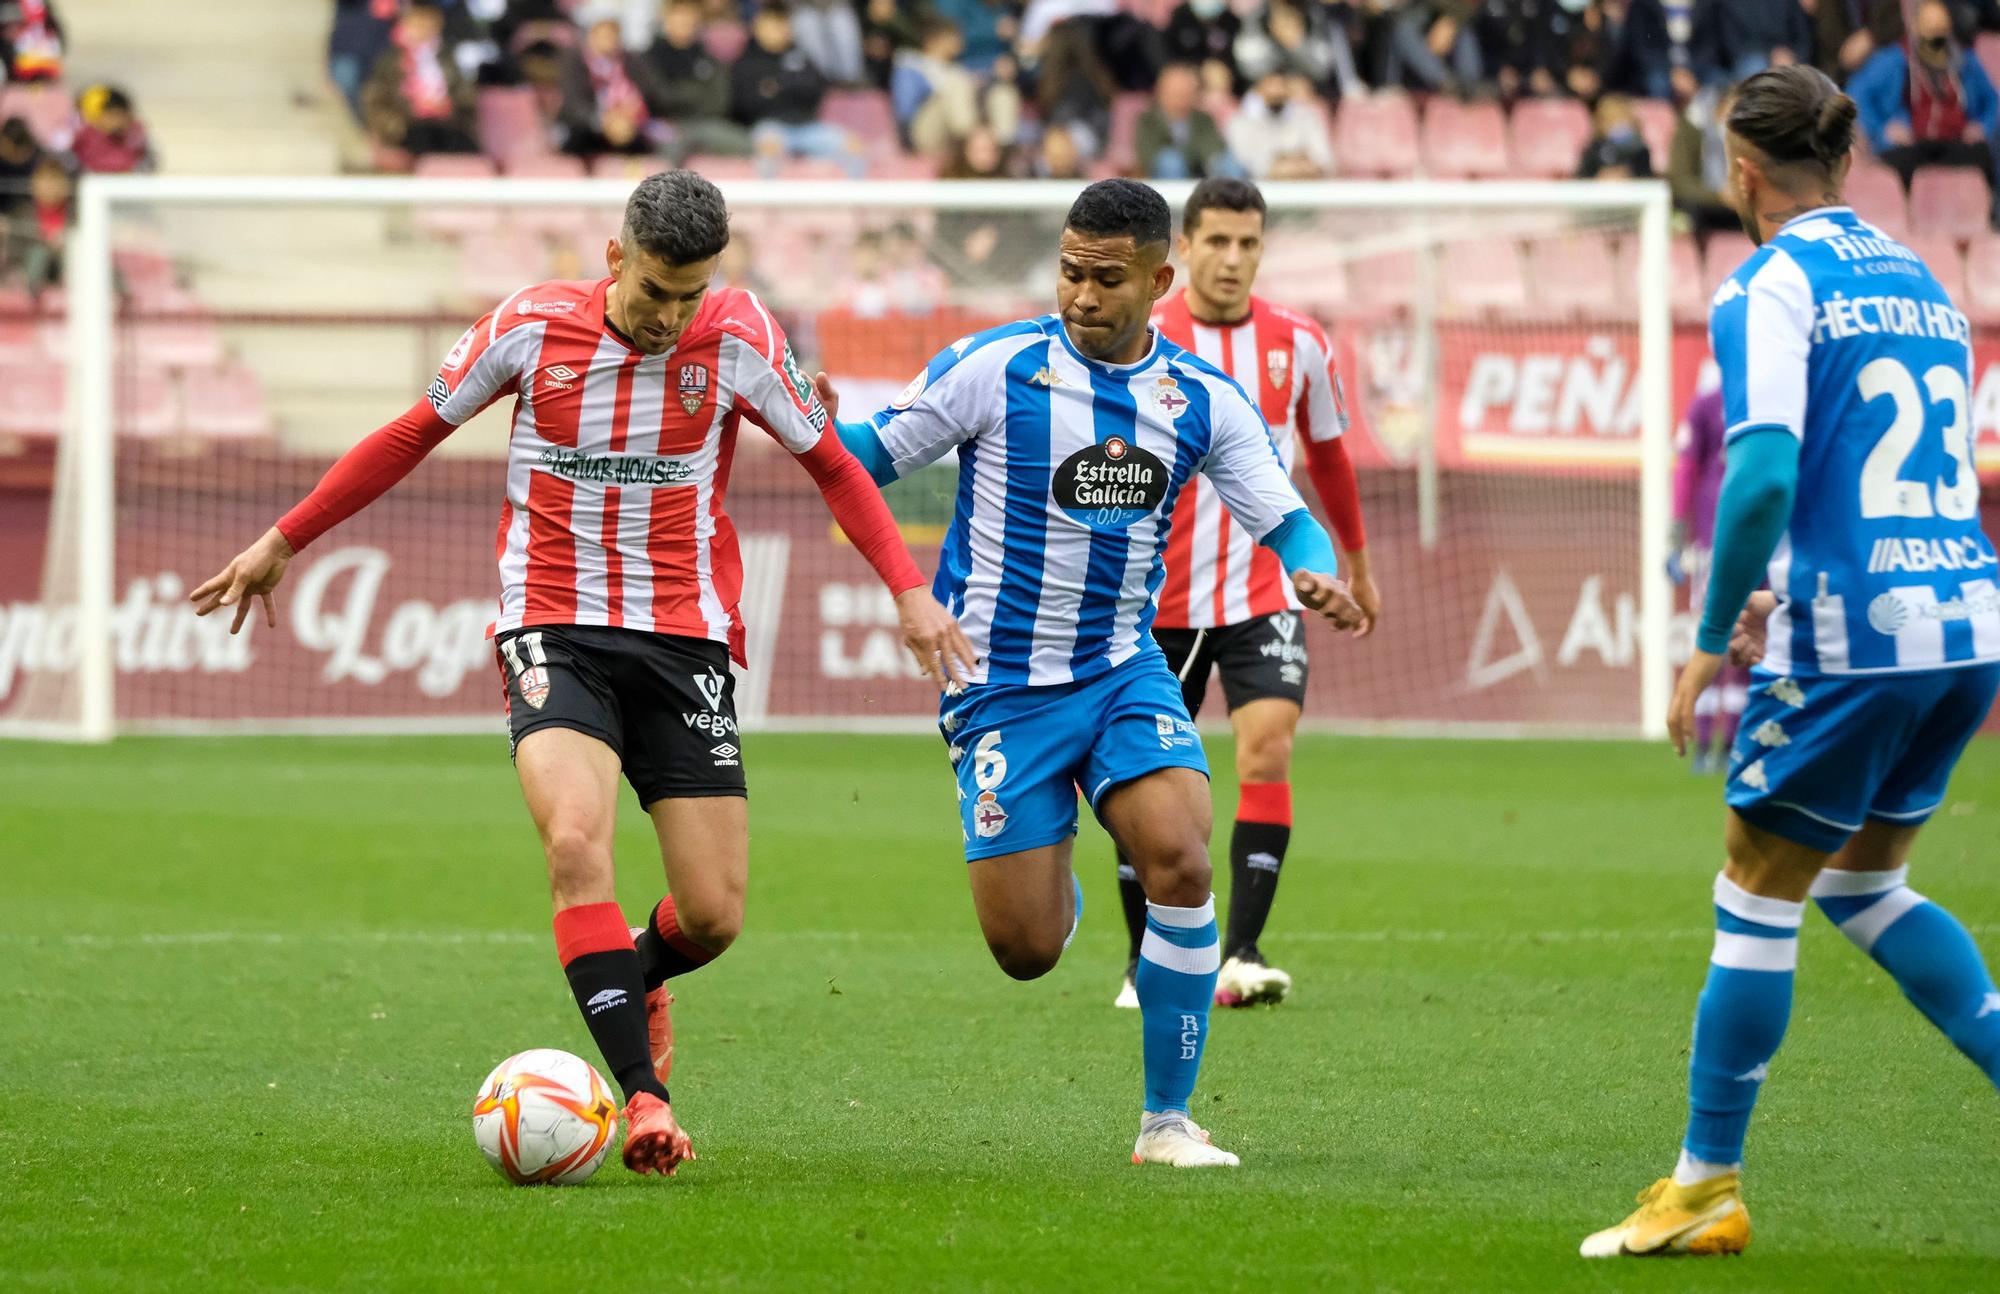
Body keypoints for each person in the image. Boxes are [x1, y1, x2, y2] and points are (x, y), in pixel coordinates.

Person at [189, 171, 970, 1181]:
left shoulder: (737, 337)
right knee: (573, 840)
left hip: (685, 636)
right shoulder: (528, 328)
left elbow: (830, 464)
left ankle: (633, 971)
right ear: (613, 261)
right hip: (550, 624)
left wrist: (906, 586)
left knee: (714, 914)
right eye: (654, 291)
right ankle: (642, 1096)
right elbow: (408, 435)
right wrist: (284, 538)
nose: (670, 316)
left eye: (690, 294)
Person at [821, 178, 1365, 1167]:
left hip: (1122, 667)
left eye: (1105, 279)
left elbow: (1283, 515)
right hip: (998, 688)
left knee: (1180, 857)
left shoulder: (1198, 400)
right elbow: (862, 460)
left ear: (1158, 279)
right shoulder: (992, 368)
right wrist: (812, 430)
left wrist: (1312, 570)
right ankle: (1048, 864)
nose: (1079, 294)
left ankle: (1166, 1120)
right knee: (1024, 950)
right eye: (1069, 271)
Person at [1582, 66, 2000, 1259]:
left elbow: (1763, 473)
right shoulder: (1925, 281)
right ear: (1846, 161)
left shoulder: (1766, 284)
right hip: (1962, 618)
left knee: (1752, 886)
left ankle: (1704, 1183)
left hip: (1858, 639)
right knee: (1862, 886)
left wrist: (1708, 638)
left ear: (1741, 168)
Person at [1106, 177, 1376, 1012]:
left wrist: (1355, 565)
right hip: (1159, 601)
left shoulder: (1299, 343)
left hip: (1263, 590)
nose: (1231, 259)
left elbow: (1327, 456)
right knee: (1142, 781)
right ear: (1182, 249)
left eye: (1247, 244)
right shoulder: (1143, 338)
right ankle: (1142, 959)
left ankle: (1243, 952)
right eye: (1216, 242)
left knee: (1269, 749)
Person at [1850, 2, 2000, 218]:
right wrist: (1881, 129)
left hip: (1956, 144)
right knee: (1897, 163)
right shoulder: (1893, 60)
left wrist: (1982, 126)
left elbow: (1993, 100)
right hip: (1912, 147)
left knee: (1983, 155)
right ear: (1915, 29)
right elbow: (1856, 95)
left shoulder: (1965, 61)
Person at [1667, 384, 1745, 773]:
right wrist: (1677, 536)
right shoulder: (1707, 403)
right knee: (1716, 637)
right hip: (1717, 541)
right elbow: (1686, 469)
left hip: (1755, 538)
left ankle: (1731, 742)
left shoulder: (1763, 397)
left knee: (1741, 642)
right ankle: (1703, 741)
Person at [730, 2, 867, 177]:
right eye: (771, 24)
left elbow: (816, 91)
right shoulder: (745, 62)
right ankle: (768, 202)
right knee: (768, 150)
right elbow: (746, 104)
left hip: (807, 126)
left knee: (853, 146)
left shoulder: (801, 56)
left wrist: (776, 87)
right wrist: (791, 85)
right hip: (770, 126)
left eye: (781, 23)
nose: (777, 30)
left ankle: (854, 202)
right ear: (757, 26)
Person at [360, 0, 481, 157]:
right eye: (417, 23)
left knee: (464, 146)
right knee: (421, 140)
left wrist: (449, 107)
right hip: (408, 127)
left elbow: (465, 95)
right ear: (405, 25)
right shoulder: (390, 61)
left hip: (447, 126)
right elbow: (375, 100)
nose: (423, 29)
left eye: (428, 23)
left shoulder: (447, 58)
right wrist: (396, 126)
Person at [641, 0, 755, 160]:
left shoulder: (707, 57)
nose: (684, 23)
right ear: (666, 19)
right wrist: (694, 93)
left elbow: (720, 100)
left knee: (747, 145)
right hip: (666, 124)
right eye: (679, 17)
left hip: (705, 123)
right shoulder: (650, 57)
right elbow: (658, 97)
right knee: (669, 150)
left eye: (689, 18)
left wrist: (682, 94)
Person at [556, 9, 664, 157]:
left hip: (628, 125)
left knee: (647, 145)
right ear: (591, 37)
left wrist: (631, 113)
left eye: (612, 36)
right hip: (587, 126)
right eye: (603, 36)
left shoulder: (632, 61)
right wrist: (604, 121)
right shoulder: (574, 60)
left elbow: (650, 91)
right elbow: (573, 102)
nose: (608, 40)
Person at [1135, 61, 1241, 180]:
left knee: (1230, 162)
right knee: (1170, 160)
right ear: (1161, 92)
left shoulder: (1203, 119)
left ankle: (1233, 197)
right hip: (1162, 177)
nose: (1181, 99)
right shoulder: (1148, 120)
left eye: (1186, 92)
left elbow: (1214, 150)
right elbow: (1148, 155)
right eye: (1176, 93)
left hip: (1202, 172)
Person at [1225, 70, 1335, 180]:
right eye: (1270, 85)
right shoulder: (1241, 121)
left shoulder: (1307, 115)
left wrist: (1297, 166)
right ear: (1258, 89)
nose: (1276, 91)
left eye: (1281, 86)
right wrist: (1281, 165)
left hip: (1310, 183)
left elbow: (1324, 158)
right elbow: (1248, 163)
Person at [1689, 0, 1811, 89]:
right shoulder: (1727, 5)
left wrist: (1794, 56)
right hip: (1745, 63)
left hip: (1789, 63)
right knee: (1755, 66)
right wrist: (1771, 54)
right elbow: (1730, 44)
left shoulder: (1790, 3)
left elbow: (1804, 36)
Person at [71, 86, 157, 174]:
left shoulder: (134, 134)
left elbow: (146, 159)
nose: (116, 121)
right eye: (111, 116)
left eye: (120, 115)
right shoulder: (87, 135)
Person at [1577, 92, 1654, 180]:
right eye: (1612, 119)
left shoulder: (1640, 151)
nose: (1617, 123)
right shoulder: (1592, 150)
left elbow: (1646, 178)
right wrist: (1599, 178)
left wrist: (1628, 176)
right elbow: (1582, 178)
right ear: (1601, 122)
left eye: (1622, 117)